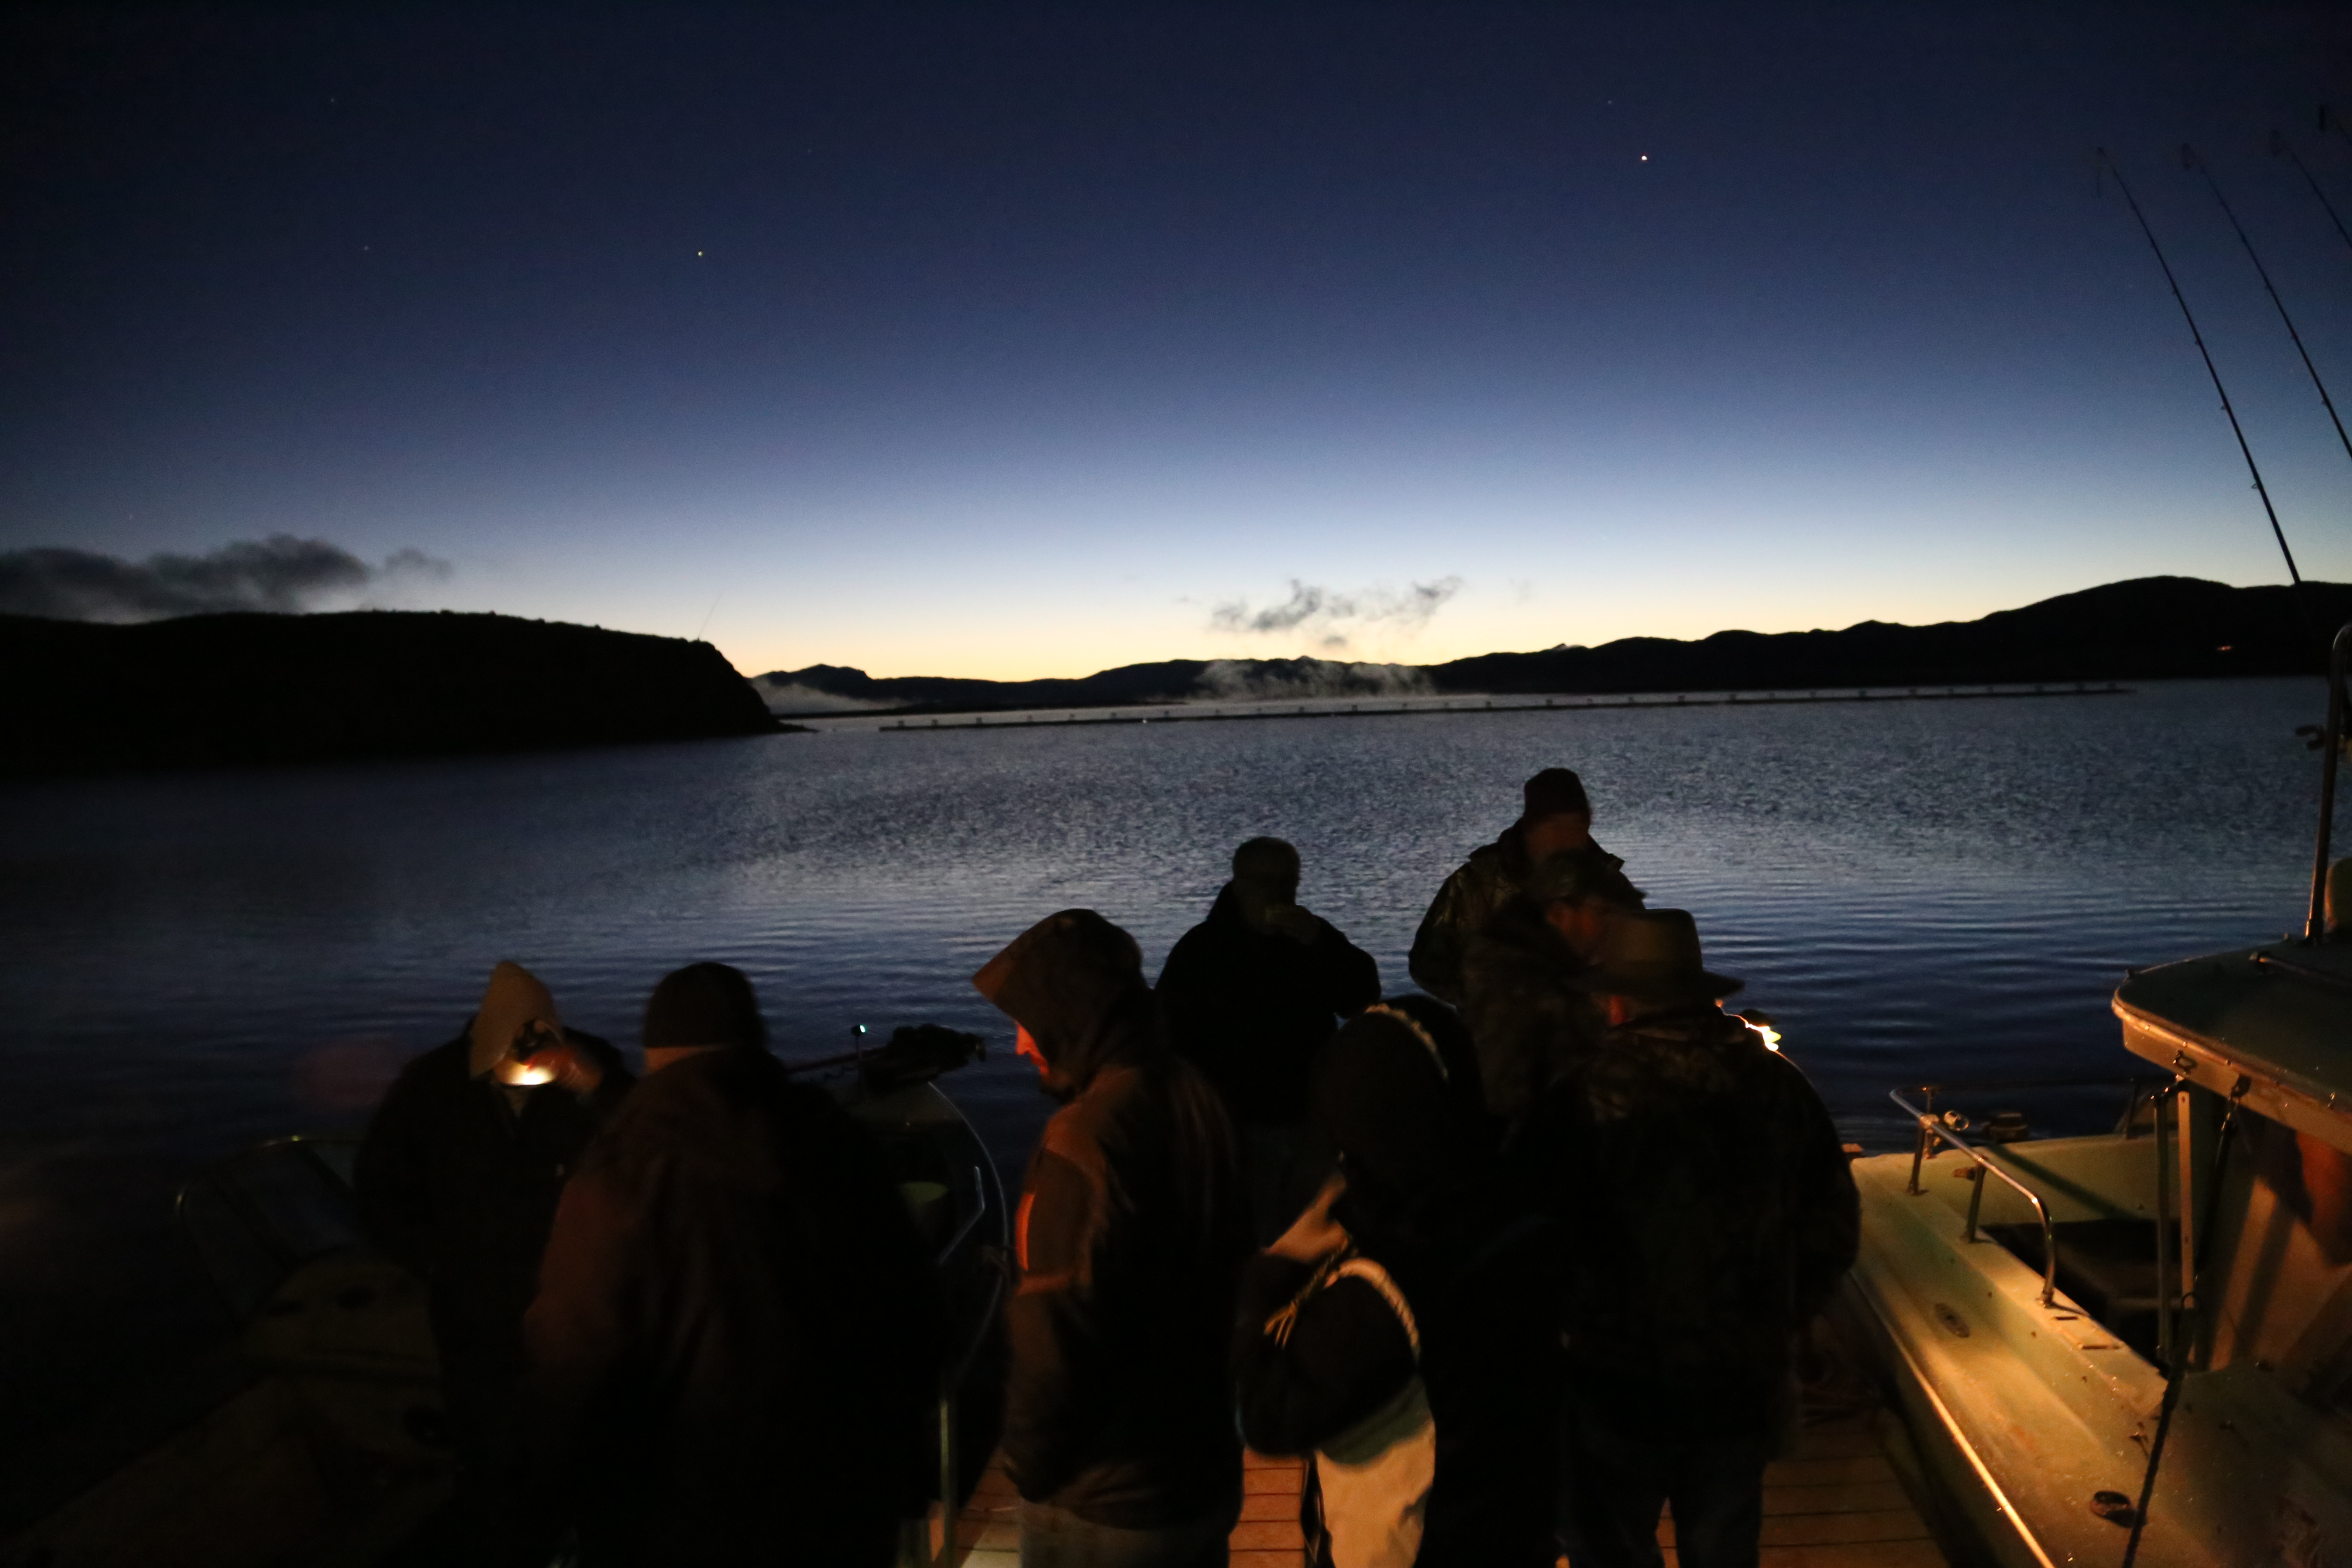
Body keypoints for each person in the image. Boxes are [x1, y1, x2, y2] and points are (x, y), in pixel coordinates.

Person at [520, 962, 941, 1566]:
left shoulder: (619, 1180)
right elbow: (916, 1314)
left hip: (685, 1519)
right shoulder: (837, 1144)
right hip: (843, 1502)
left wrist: (546, 1500)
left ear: (656, 1056)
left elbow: (573, 1364)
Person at [1523, 911, 1858, 1568]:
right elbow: (1833, 1223)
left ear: (1616, 999)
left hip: (1616, 1380)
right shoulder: (1779, 1083)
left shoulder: (1581, 1094)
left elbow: (1533, 1236)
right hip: (1741, 1375)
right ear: (1701, 992)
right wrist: (1783, 1313)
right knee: (1724, 1545)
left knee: (1610, 1543)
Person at [1233, 995, 1559, 1568]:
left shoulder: (1387, 1283)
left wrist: (1270, 1274)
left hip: (1411, 1547)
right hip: (1513, 1527)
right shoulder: (1520, 1217)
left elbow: (1269, 1417)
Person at [973, 909, 1252, 1568]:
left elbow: (1055, 1335)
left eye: (1028, 1021)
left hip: (1107, 1508)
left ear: (1072, 1015)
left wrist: (1028, 1467)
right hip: (1201, 1472)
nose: (1017, 1044)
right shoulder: (1196, 1093)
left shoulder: (1085, 1141)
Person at [352, 960, 630, 1554]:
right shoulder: (429, 1091)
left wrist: (598, 1090)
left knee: (593, 1453)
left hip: (578, 1318)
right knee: (494, 1464)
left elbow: (646, 1147)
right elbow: (380, 1194)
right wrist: (438, 1263)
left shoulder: (594, 1072)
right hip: (476, 1321)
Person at [1157, 836, 1381, 1241]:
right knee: (1251, 1236)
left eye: (1289, 882)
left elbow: (1361, 998)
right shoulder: (1201, 952)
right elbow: (1167, 1040)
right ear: (1240, 886)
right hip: (1240, 1125)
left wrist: (1321, 944)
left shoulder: (1311, 937)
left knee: (1323, 1233)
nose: (1280, 894)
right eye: (1267, 883)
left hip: (1310, 1117)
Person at [1407, 767, 1637, 1008]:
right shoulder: (1476, 884)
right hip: (1497, 1037)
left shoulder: (1610, 887)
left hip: (1590, 1035)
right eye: (1555, 828)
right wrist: (1492, 1001)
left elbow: (1641, 964)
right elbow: (1427, 966)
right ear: (1531, 828)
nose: (1567, 839)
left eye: (1577, 827)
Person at [1455, 852, 1641, 1124]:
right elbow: (1509, 1095)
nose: (1616, 927)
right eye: (1603, 913)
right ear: (1558, 913)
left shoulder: (1565, 964)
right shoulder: (1513, 982)